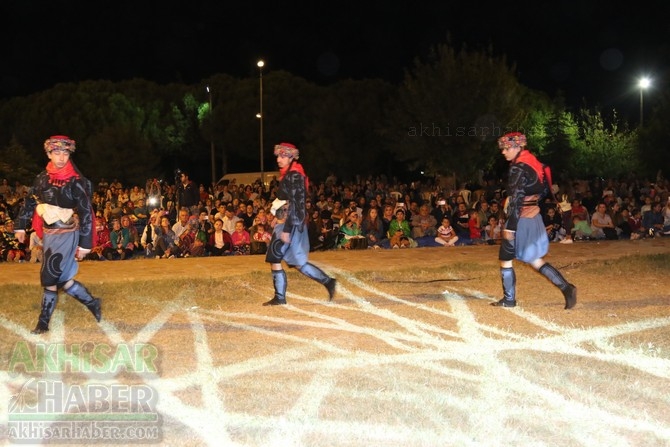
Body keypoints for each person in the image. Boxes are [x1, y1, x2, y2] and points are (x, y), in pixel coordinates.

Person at [15, 135, 101, 334]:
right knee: (61, 279)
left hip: (67, 234)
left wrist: (85, 243)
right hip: (49, 234)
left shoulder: (76, 181)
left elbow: (87, 211)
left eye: (65, 152)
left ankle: (43, 322)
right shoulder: (42, 178)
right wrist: (20, 226)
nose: (61, 157)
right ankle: (92, 302)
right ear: (48, 154)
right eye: (56, 152)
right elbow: (29, 201)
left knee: (50, 275)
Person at [492, 132, 576, 309]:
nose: (503, 152)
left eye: (506, 148)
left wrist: (510, 228)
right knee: (534, 260)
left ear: (517, 147)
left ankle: (509, 299)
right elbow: (543, 191)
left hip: (520, 219)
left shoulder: (518, 167)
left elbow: (516, 198)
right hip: (533, 217)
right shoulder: (535, 163)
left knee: (506, 258)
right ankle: (567, 288)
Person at [263, 142, 336, 306]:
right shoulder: (289, 174)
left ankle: (280, 297)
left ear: (290, 157)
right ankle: (328, 282)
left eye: (282, 156)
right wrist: (275, 214)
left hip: (291, 224)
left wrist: (287, 229)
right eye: (278, 156)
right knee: (297, 263)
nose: (279, 159)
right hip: (290, 222)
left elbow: (297, 204)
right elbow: (285, 200)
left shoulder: (294, 176)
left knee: (274, 257)